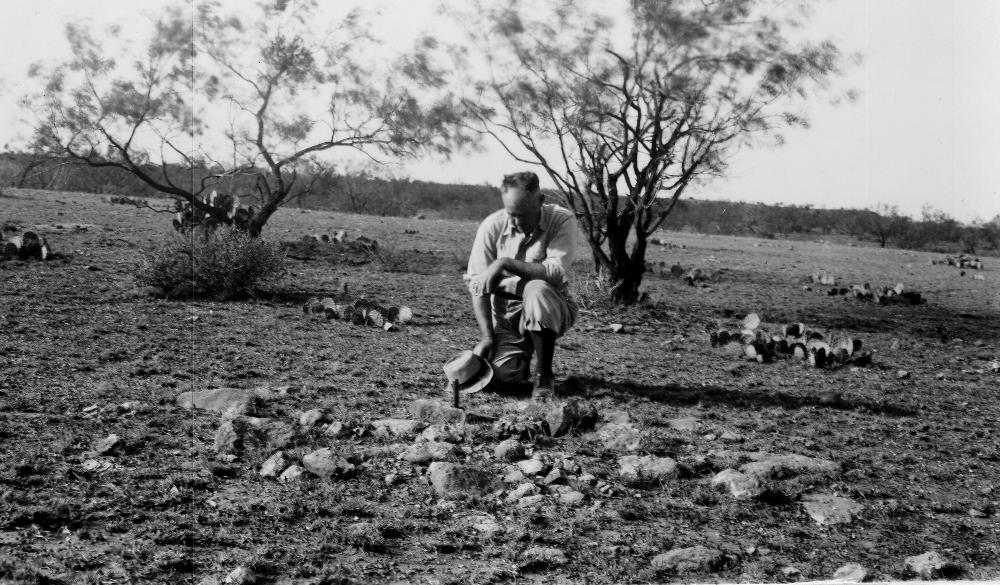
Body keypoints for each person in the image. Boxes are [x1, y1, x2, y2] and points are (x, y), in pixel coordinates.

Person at [464, 171, 578, 399]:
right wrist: (488, 337)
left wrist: (504, 264)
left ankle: (543, 377)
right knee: (499, 378)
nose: (516, 222)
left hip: (552, 308)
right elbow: (478, 285)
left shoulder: (561, 219)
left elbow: (554, 271)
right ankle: (520, 361)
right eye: (512, 214)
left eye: (524, 215)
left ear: (541, 200)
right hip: (507, 316)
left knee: (537, 288)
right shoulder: (491, 226)